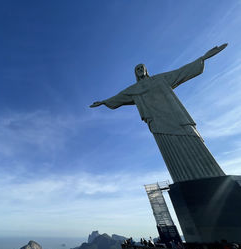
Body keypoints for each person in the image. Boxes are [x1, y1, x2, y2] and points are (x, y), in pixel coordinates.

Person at [90, 44, 227, 183]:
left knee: (190, 136)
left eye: (141, 68)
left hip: (176, 117)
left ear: (145, 70)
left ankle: (212, 174)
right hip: (157, 123)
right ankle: (183, 178)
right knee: (170, 149)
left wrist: (203, 58)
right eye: (136, 69)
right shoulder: (133, 89)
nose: (139, 70)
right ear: (135, 73)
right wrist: (103, 102)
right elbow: (118, 97)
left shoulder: (160, 79)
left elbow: (181, 72)